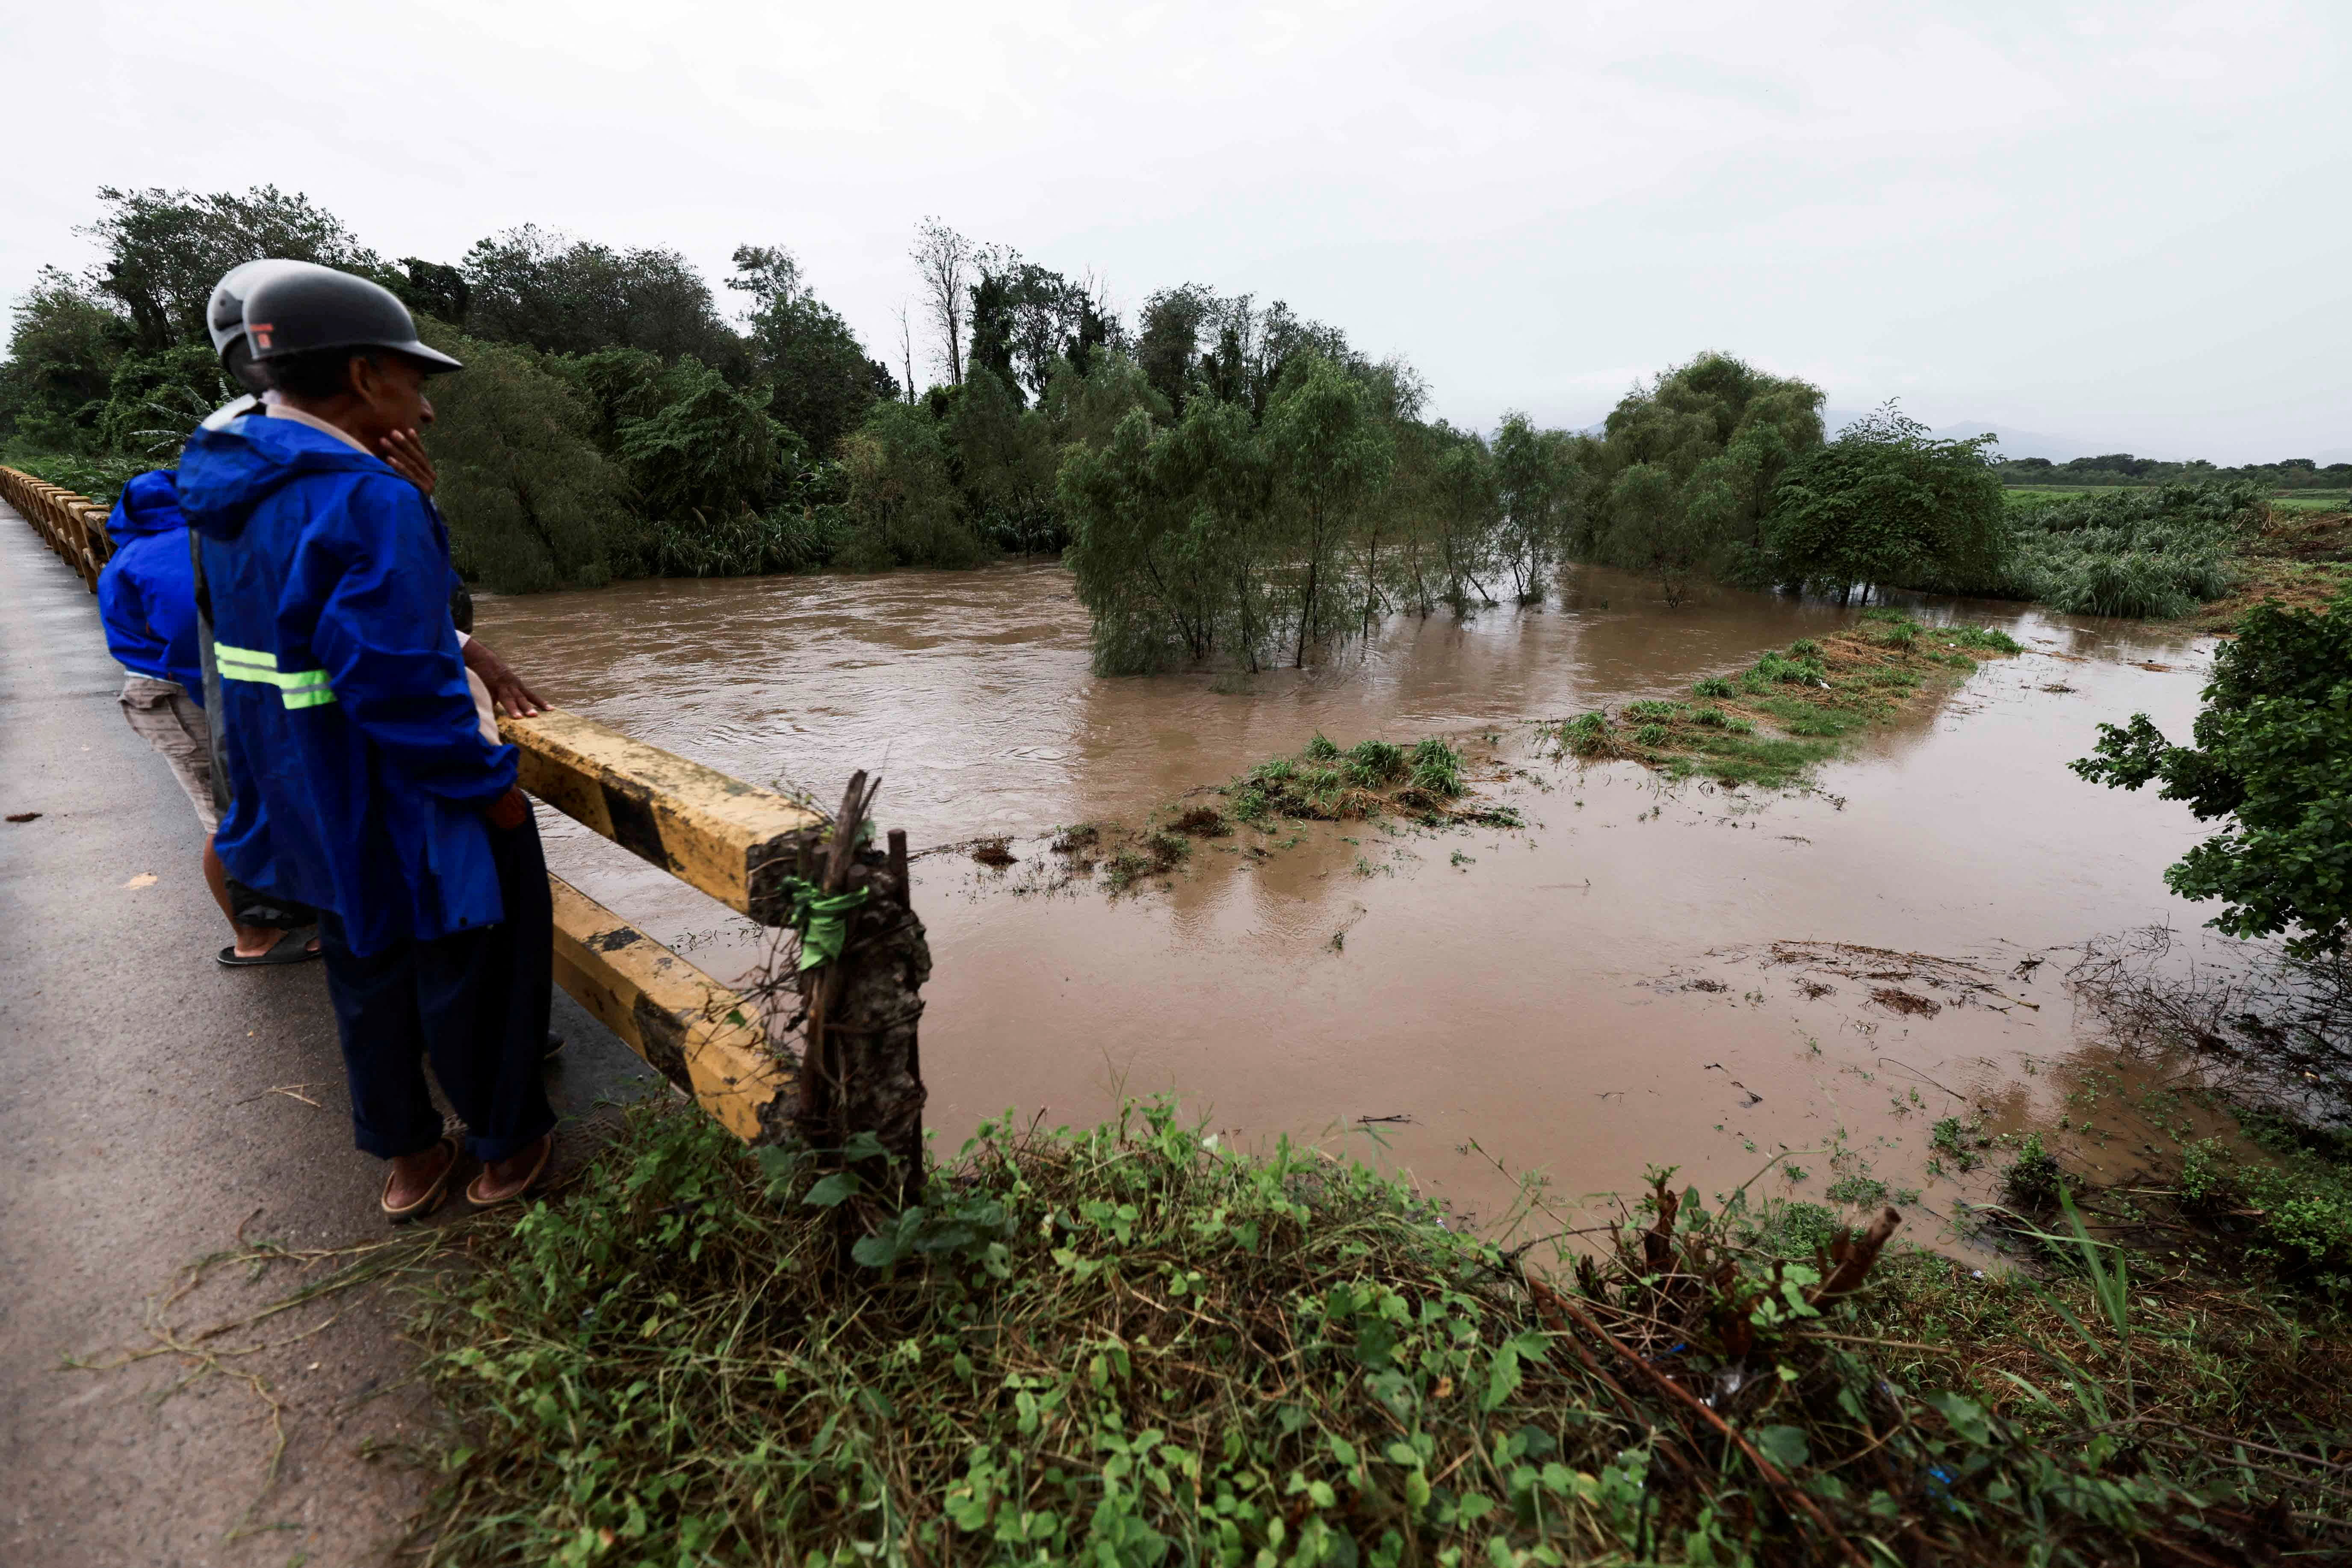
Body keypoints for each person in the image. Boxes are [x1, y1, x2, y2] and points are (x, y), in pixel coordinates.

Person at [179, 266, 556, 1219]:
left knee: (364, 971)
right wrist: (489, 785)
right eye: (411, 380)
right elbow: (392, 674)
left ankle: (406, 1159)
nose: (424, 409)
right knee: (475, 968)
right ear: (361, 373)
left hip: (305, 789)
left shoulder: (226, 489)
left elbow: (267, 641)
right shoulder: (366, 498)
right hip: (405, 794)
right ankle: (507, 1147)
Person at [96, 470, 319, 963]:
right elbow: (191, 635)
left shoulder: (134, 553)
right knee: (224, 816)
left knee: (242, 806)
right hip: (182, 694)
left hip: (163, 688)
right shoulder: (180, 550)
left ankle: (282, 915)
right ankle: (254, 939)